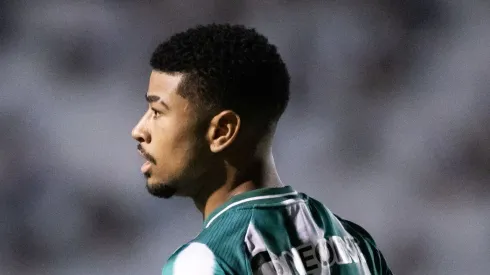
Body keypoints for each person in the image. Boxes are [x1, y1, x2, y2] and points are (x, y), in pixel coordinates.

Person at [131, 24, 392, 275]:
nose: (139, 130)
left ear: (222, 132)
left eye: (157, 112)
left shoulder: (204, 261)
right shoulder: (356, 243)